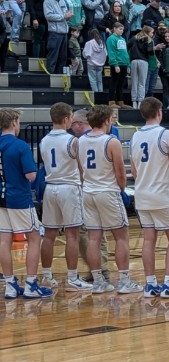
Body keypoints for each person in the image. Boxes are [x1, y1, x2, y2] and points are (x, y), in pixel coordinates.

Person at [76, 105, 142, 295]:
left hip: (88, 192)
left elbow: (81, 171)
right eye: (112, 119)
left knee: (93, 238)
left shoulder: (80, 141)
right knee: (121, 237)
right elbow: (121, 173)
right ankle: (124, 280)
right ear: (106, 121)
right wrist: (121, 189)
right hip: (108, 192)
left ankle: (98, 282)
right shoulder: (111, 141)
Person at [129, 97, 169, 299]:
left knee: (149, 240)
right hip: (162, 194)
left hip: (142, 195)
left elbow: (134, 171)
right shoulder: (166, 135)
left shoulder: (135, 137)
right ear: (159, 112)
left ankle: (150, 284)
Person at [0, 109, 53, 300]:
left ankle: (10, 285)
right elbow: (30, 175)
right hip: (19, 198)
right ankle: (31, 284)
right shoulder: (20, 146)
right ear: (14, 122)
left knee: (4, 240)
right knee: (34, 238)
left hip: (1, 197)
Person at [39, 103, 91, 291]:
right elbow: (81, 167)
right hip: (69, 187)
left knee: (49, 235)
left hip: (50, 187)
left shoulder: (44, 140)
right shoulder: (72, 141)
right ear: (67, 118)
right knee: (72, 235)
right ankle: (71, 278)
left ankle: (46, 276)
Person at [105, 21, 130, 106]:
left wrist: (128, 64)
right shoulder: (111, 39)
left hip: (124, 63)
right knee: (114, 83)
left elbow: (125, 52)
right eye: (120, 29)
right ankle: (111, 101)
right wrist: (115, 64)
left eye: (122, 29)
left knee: (121, 84)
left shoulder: (122, 39)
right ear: (115, 29)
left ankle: (120, 101)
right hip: (117, 64)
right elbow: (111, 52)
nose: (122, 31)